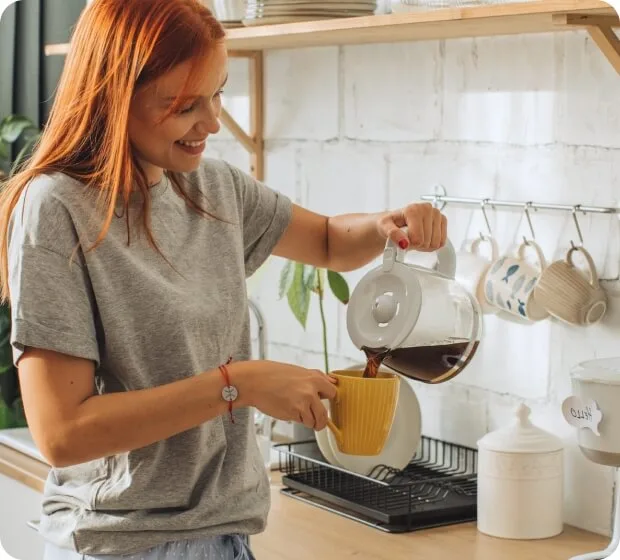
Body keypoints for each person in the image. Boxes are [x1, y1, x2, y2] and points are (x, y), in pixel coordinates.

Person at [0, 0, 448, 558]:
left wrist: (386, 225)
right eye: (186, 104)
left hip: (225, 538)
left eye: (217, 93)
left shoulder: (211, 187)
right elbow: (63, 434)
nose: (212, 122)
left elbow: (330, 240)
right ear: (115, 95)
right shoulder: (58, 208)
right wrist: (241, 384)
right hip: (123, 544)